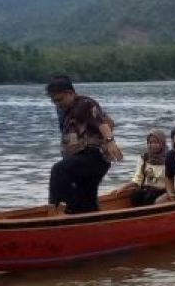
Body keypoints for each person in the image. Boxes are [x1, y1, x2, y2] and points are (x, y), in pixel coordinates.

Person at [46, 76, 122, 213]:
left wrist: (110, 142)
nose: (57, 104)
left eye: (60, 99)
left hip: (94, 157)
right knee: (85, 199)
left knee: (58, 170)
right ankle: (90, 219)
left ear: (70, 93)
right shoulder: (62, 110)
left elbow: (102, 123)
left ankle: (54, 210)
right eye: (54, 101)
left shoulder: (85, 104)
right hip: (79, 158)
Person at [118, 129, 168, 206]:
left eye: (156, 142)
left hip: (162, 191)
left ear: (162, 144)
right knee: (135, 196)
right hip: (147, 189)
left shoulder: (169, 159)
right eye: (150, 142)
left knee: (149, 198)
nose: (152, 145)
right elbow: (138, 179)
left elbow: (173, 181)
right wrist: (123, 187)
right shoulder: (144, 158)